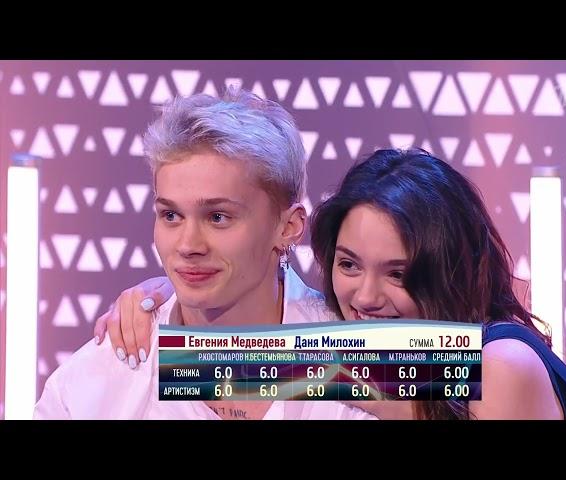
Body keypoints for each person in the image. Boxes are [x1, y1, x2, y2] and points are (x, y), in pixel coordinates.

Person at [101, 148, 566, 420]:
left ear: (447, 268)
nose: (364, 297)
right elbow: (223, 364)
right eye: (348, 265)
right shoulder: (392, 361)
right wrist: (168, 296)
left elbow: (232, 365)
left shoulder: (502, 364)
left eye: (398, 273)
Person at [33, 89, 376, 420]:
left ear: (288, 227)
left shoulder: (366, 362)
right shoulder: (93, 381)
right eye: (171, 215)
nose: (188, 245)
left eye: (217, 217)